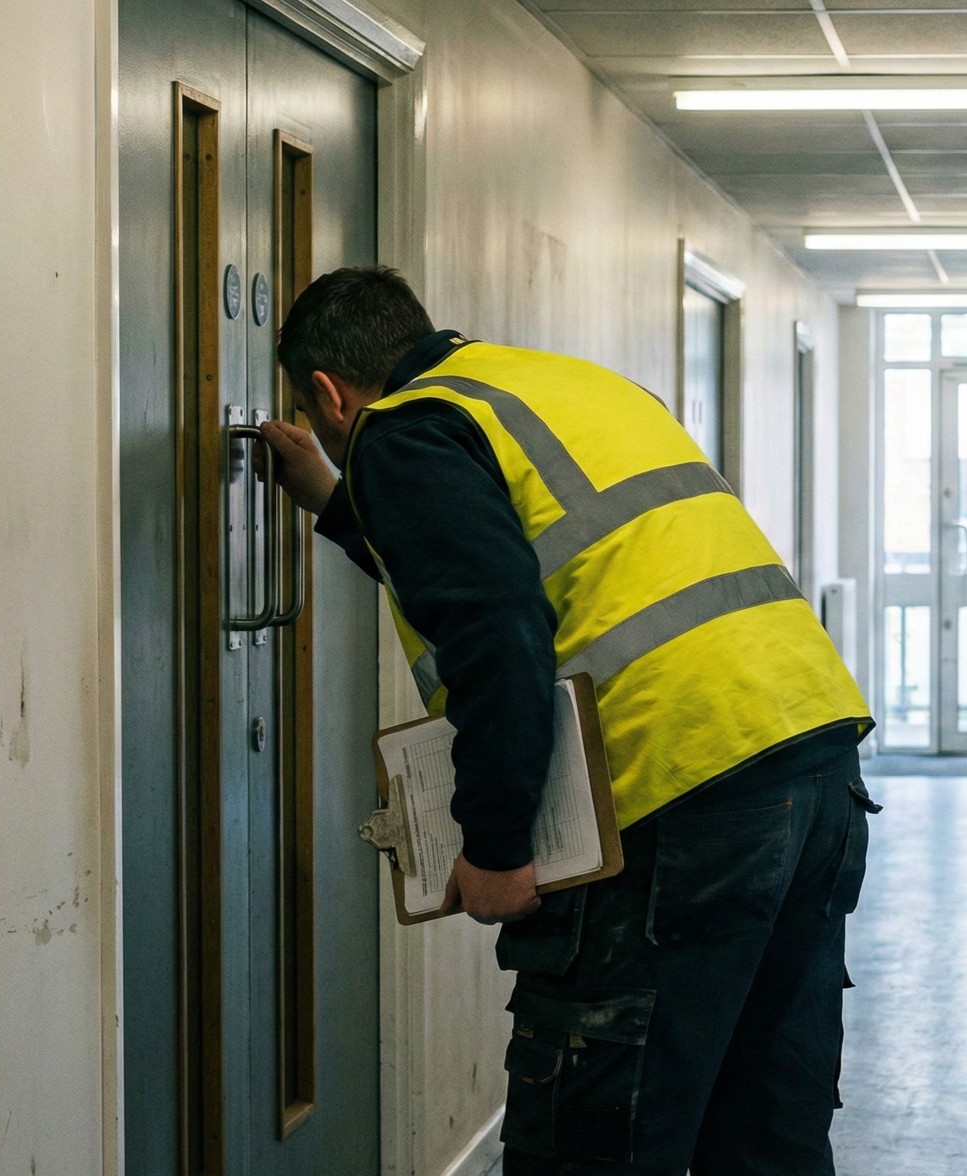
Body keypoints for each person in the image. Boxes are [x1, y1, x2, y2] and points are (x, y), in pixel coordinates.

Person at [261, 265, 877, 1175]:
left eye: (319, 419)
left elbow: (497, 635)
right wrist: (346, 508)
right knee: (763, 1130)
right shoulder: (559, 383)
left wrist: (498, 848)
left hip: (678, 795)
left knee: (592, 1139)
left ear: (328, 394)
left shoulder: (400, 434)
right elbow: (529, 545)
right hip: (809, 761)